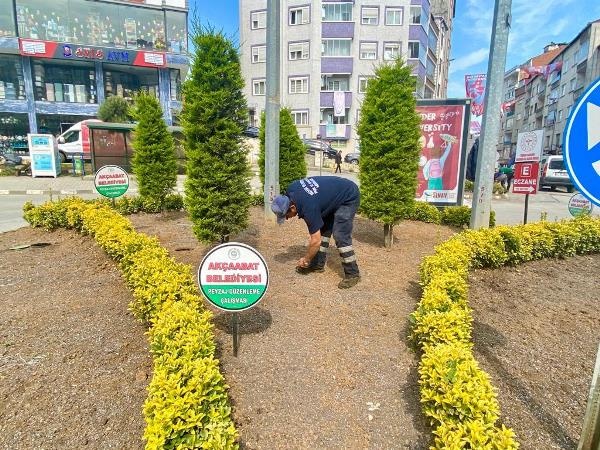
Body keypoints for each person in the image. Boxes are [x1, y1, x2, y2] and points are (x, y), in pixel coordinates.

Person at [271, 176, 361, 289]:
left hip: (348, 196)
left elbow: (315, 241)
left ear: (292, 207)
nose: (288, 219)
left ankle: (353, 274)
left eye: (286, 215)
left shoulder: (308, 207)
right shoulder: (292, 190)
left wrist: (306, 258)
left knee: (340, 235)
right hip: (332, 196)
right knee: (323, 228)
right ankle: (318, 265)